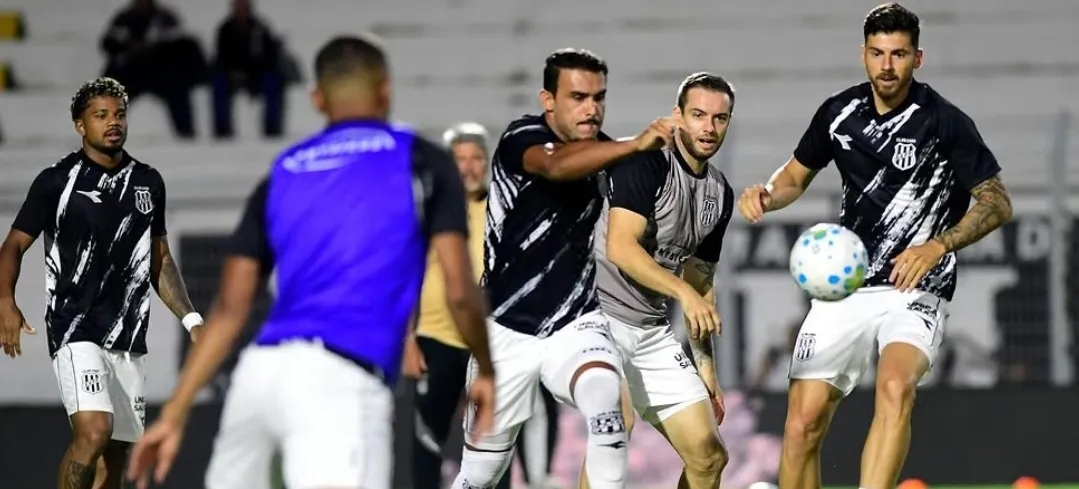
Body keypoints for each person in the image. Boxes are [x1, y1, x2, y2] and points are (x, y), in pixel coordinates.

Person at [124, 34, 497, 489]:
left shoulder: (284, 170)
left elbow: (229, 308)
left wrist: (175, 412)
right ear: (385, 88)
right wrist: (487, 369)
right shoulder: (423, 161)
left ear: (317, 98)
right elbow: (460, 290)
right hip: (339, 382)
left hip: (257, 377)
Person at [736, 4, 1013, 489]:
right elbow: (795, 176)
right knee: (802, 424)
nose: (887, 66)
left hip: (916, 287)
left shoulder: (944, 122)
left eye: (899, 54)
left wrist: (938, 246)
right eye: (878, 53)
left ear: (917, 58)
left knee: (895, 387)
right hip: (847, 285)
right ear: (863, 55)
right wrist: (767, 194)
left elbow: (997, 203)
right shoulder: (839, 113)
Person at [451, 47, 681, 489]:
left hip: (575, 324)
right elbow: (555, 166)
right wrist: (634, 144)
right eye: (578, 97)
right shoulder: (522, 137)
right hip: (505, 329)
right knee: (479, 475)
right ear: (548, 100)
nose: (591, 109)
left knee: (607, 413)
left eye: (599, 97)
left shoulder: (606, 153)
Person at [0, 76, 203, 489]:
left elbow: (159, 260)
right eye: (101, 115)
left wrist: (192, 319)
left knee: (115, 456)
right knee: (94, 431)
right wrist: (6, 299)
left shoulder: (148, 182)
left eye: (119, 114)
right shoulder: (56, 182)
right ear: (80, 125)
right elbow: (13, 246)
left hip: (128, 334)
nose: (113, 123)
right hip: (75, 327)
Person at [592, 72, 736, 489]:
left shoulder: (720, 194)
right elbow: (621, 246)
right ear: (678, 116)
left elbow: (699, 281)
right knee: (614, 427)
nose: (709, 128)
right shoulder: (648, 161)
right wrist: (683, 292)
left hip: (650, 331)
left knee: (709, 457)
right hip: (597, 319)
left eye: (720, 119)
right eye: (698, 115)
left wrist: (706, 368)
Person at [405, 123, 563, 489]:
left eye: (477, 158)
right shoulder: (426, 214)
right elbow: (407, 278)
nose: (469, 167)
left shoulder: (508, 207)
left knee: (495, 437)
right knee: (427, 437)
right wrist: (407, 339)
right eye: (460, 159)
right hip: (437, 337)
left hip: (495, 341)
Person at [210, 0, 286, 139]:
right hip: (231, 75)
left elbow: (269, 57)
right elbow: (221, 57)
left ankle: (272, 129)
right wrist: (233, 72)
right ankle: (222, 130)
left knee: (273, 82)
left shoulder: (260, 29)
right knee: (218, 83)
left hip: (257, 75)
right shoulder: (225, 29)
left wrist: (253, 73)